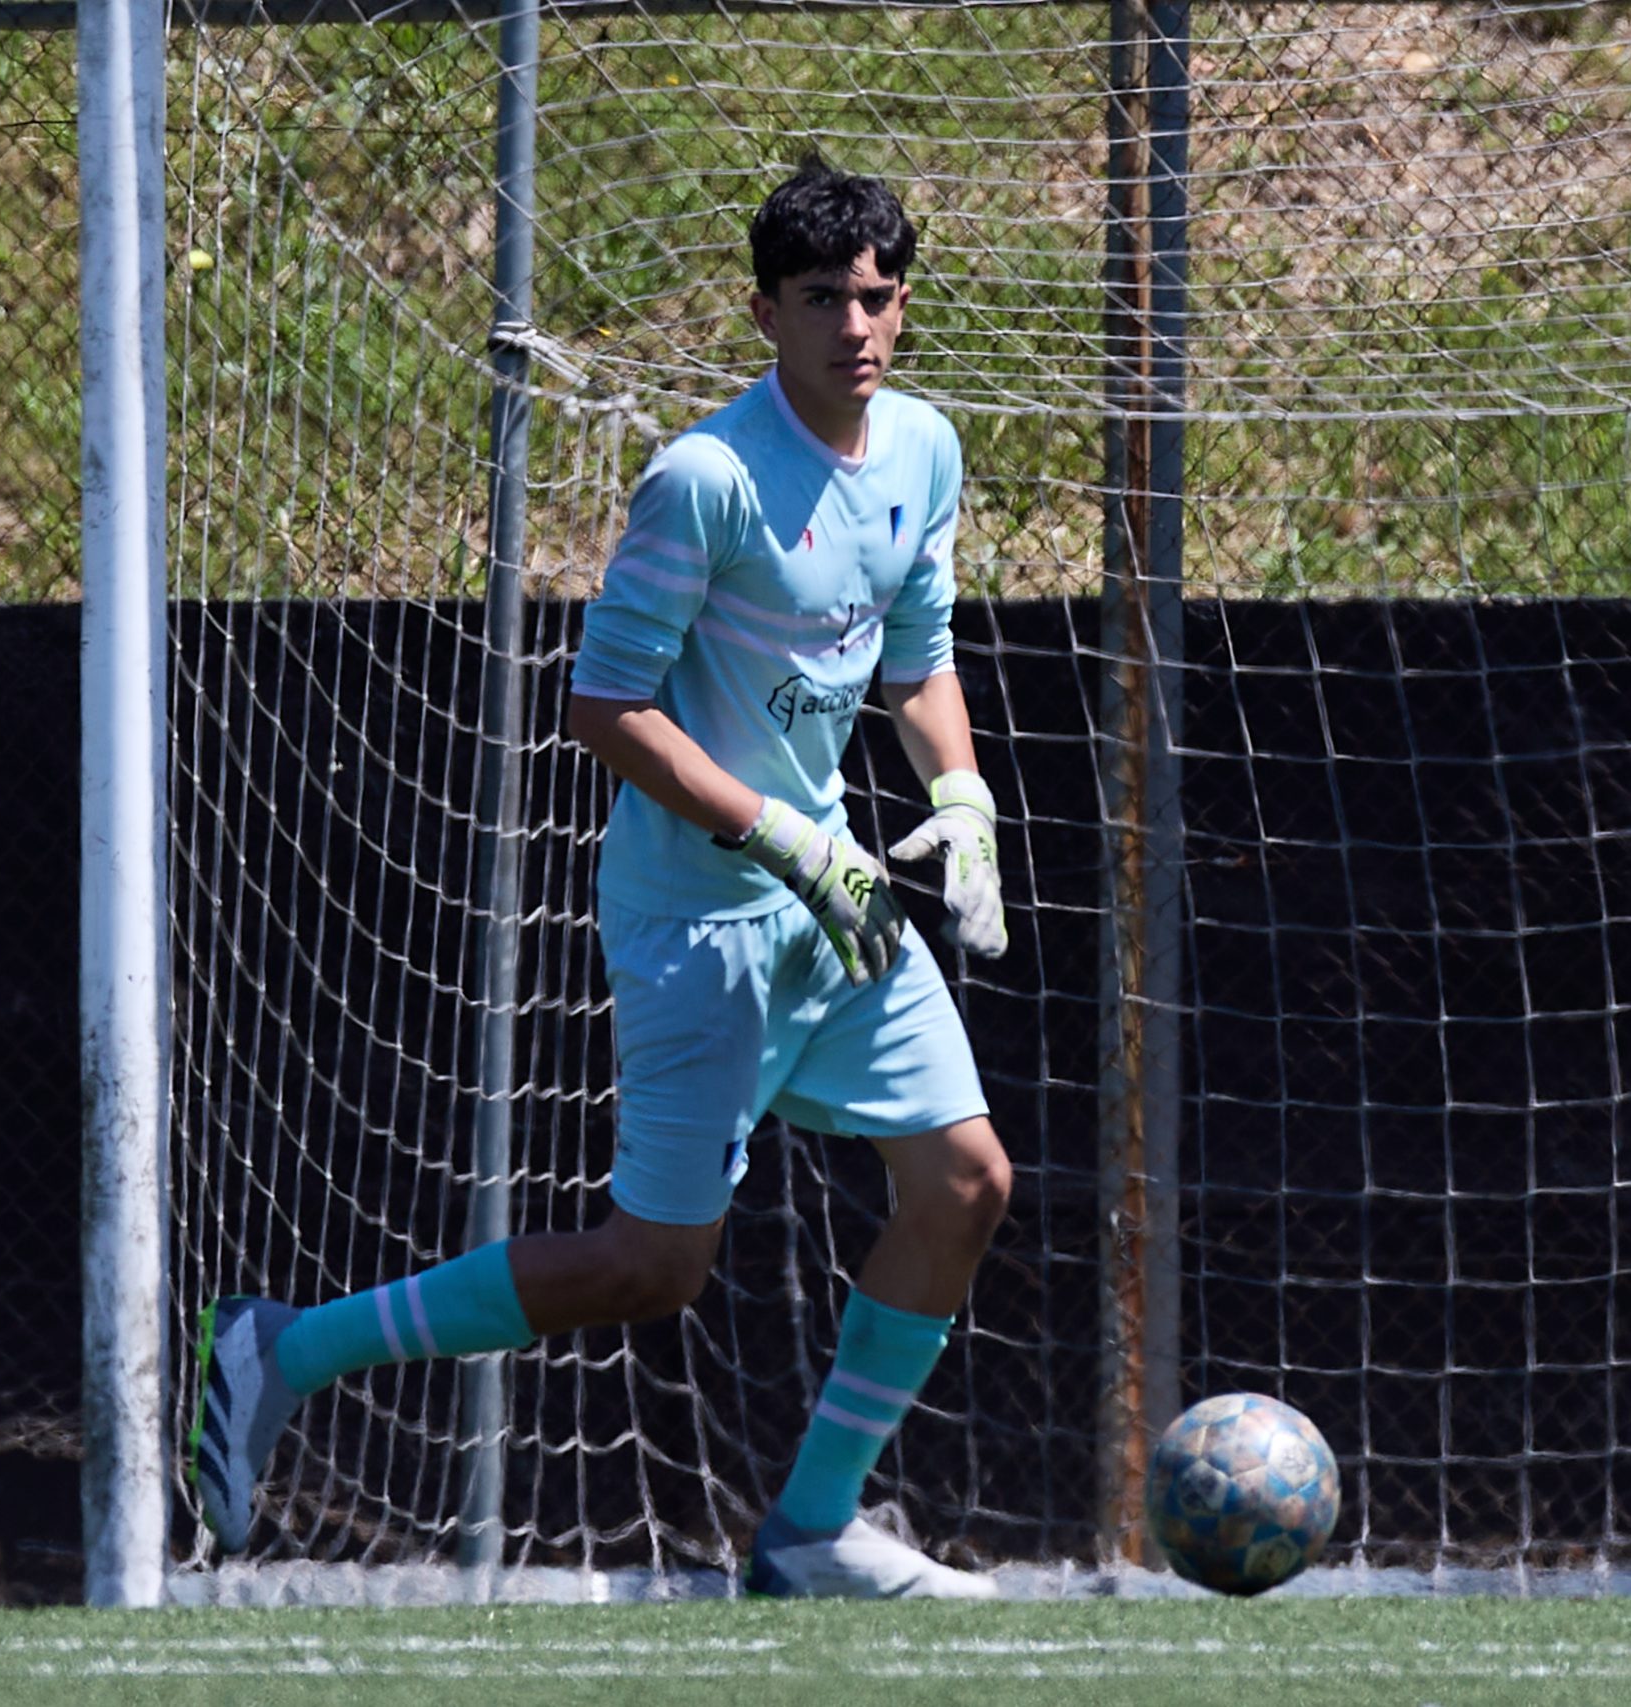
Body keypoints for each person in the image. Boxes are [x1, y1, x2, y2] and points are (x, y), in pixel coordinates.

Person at [190, 159, 1014, 1601]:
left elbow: (919, 662)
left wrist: (958, 793)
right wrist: (786, 838)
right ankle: (284, 1348)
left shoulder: (925, 450)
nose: (857, 326)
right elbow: (606, 709)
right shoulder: (706, 479)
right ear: (764, 311)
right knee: (653, 1268)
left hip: (837, 906)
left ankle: (812, 1528)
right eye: (823, 298)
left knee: (965, 1182)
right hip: (703, 917)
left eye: (879, 297)